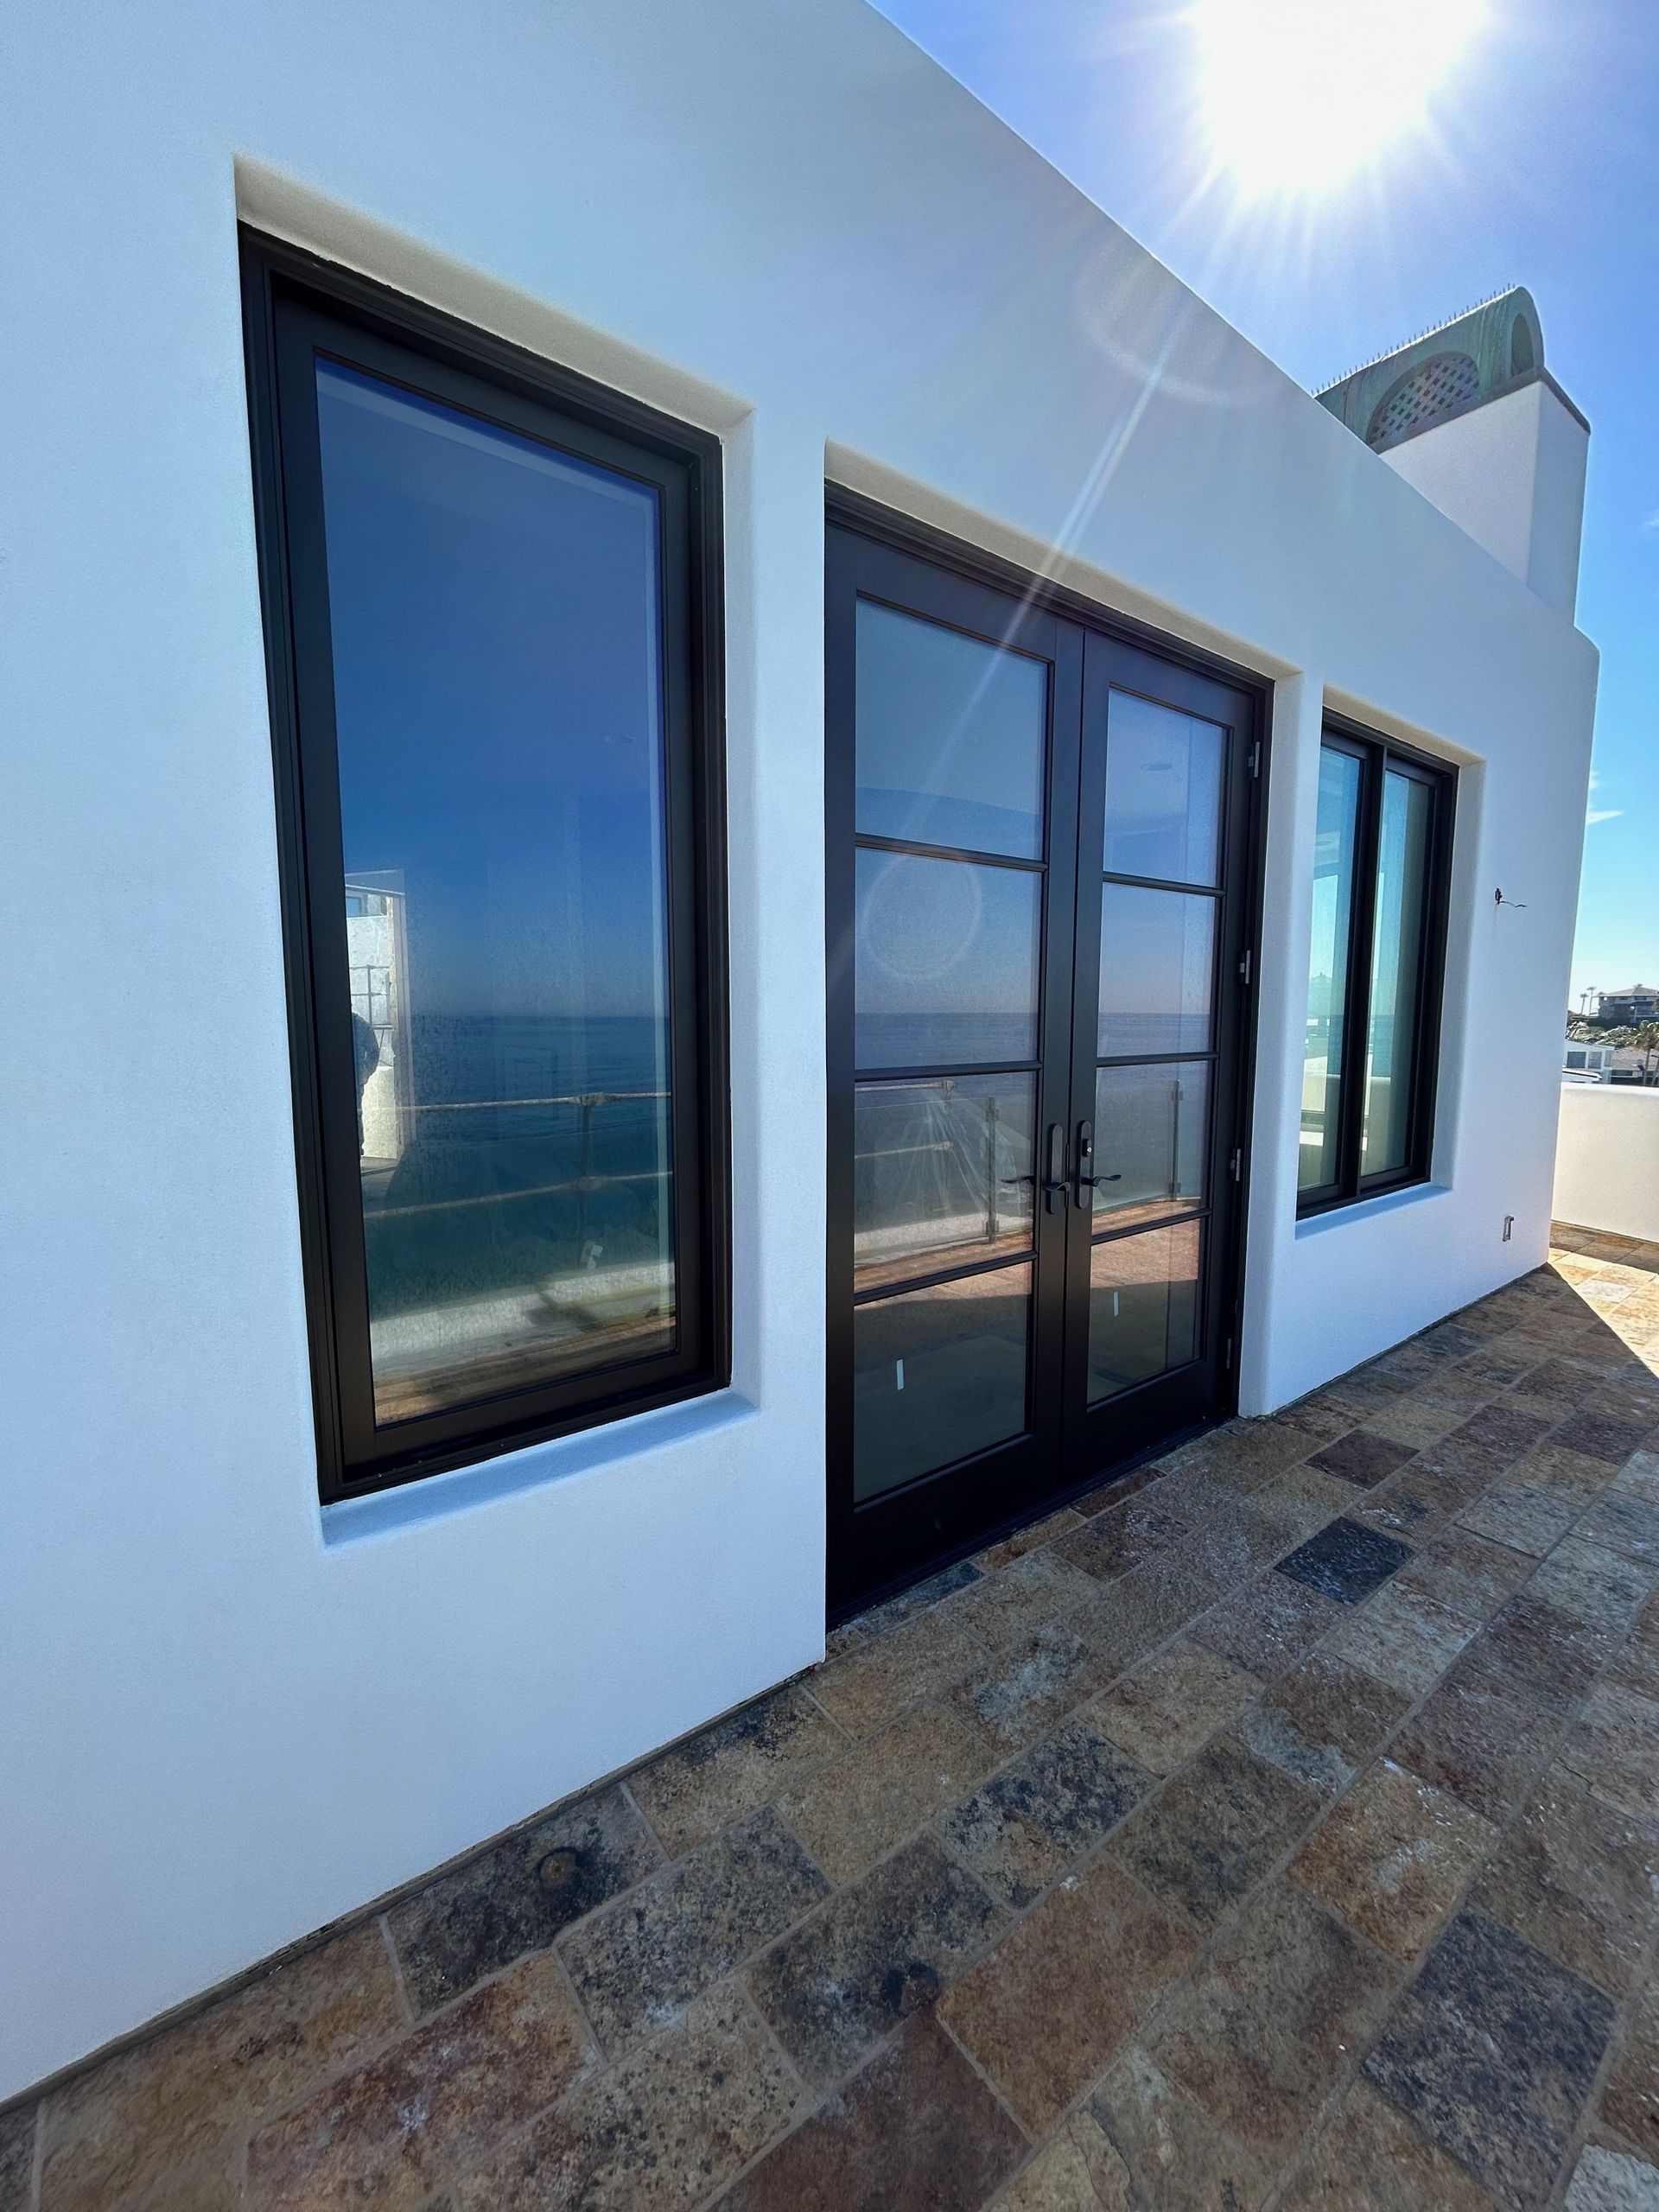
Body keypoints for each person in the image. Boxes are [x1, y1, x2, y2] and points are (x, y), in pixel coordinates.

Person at [351, 1009, 381, 1153]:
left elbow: (374, 1052)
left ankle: (357, 1147)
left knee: (355, 1112)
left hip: (355, 1079)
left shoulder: (360, 1025)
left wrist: (366, 1072)